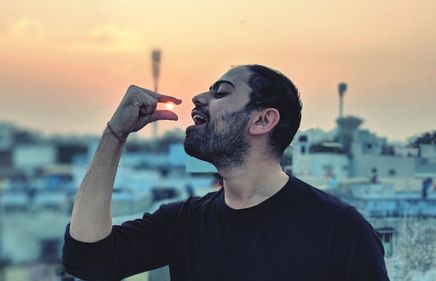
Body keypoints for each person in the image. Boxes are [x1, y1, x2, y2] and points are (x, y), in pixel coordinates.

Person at [62, 65, 390, 281]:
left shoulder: (339, 229)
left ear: (262, 120)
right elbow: (88, 259)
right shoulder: (184, 222)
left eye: (221, 92)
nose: (199, 98)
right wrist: (115, 135)